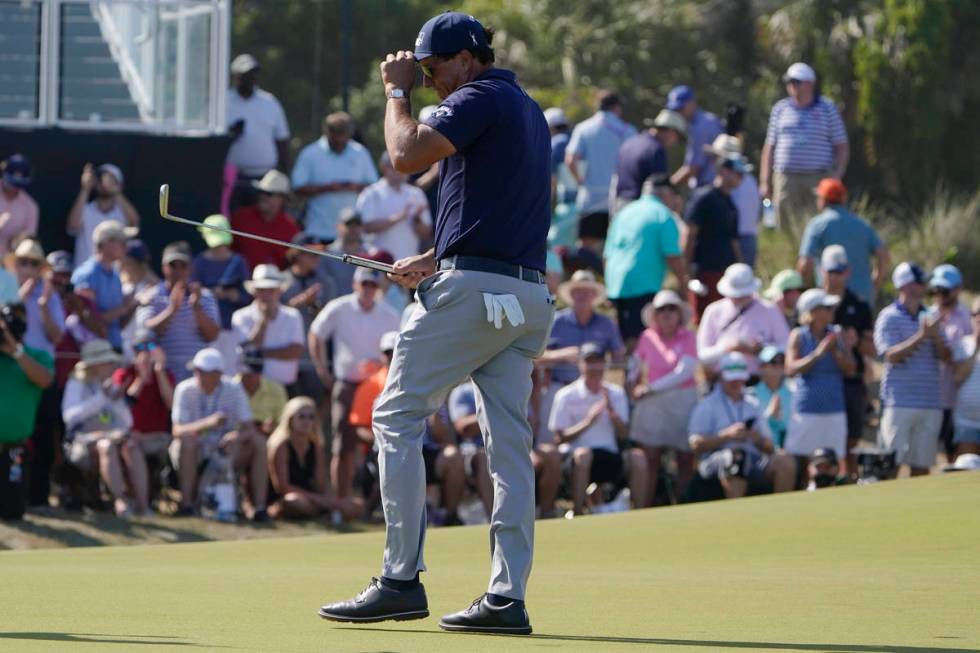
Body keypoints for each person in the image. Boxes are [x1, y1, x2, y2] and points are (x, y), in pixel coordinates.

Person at [318, 12, 555, 634]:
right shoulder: (525, 107)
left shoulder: (477, 95)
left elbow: (403, 155)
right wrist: (437, 258)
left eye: (432, 69)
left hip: (477, 295)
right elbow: (498, 208)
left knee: (395, 415)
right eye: (419, 74)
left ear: (467, 59)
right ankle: (508, 599)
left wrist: (394, 94)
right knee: (508, 447)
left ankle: (399, 580)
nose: (428, 82)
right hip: (523, 295)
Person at [309, 267, 400, 498]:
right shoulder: (340, 307)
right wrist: (322, 370)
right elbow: (316, 334)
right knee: (343, 445)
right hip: (348, 384)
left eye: (373, 285)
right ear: (355, 284)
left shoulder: (389, 314)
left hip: (380, 387)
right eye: (364, 284)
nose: (368, 289)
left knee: (387, 444)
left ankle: (374, 500)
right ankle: (342, 501)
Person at [171, 348, 268, 520]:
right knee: (187, 443)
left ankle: (259, 508)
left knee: (258, 442)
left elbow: (249, 427)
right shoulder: (184, 389)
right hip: (195, 449)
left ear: (218, 373)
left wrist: (236, 436)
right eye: (197, 370)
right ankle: (186, 505)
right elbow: (177, 430)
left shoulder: (234, 388)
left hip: (227, 450)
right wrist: (207, 423)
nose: (198, 374)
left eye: (204, 372)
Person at [549, 344, 646, 515]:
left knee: (638, 457)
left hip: (609, 455)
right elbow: (559, 438)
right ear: (581, 364)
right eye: (589, 361)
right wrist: (588, 421)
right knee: (583, 455)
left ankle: (639, 514)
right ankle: (577, 511)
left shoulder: (616, 393)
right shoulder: (565, 395)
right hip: (575, 458)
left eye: (598, 361)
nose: (594, 367)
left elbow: (624, 434)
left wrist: (612, 413)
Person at [874, 262, 950, 476]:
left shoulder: (931, 316)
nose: (924, 285)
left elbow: (946, 357)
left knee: (922, 466)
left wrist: (935, 337)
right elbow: (890, 356)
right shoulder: (888, 317)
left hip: (929, 401)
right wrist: (922, 336)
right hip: (899, 402)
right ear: (905, 285)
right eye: (919, 281)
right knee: (890, 464)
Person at [687, 352, 797, 499]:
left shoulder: (753, 404)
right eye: (732, 378)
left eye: (739, 378)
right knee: (736, 458)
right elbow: (695, 444)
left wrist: (756, 438)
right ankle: (738, 514)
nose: (736, 383)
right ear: (722, 377)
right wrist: (726, 436)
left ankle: (781, 513)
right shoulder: (708, 405)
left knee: (785, 461)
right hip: (716, 460)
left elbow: (770, 446)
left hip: (754, 458)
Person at [535, 271, 624, 442]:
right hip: (559, 388)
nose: (582, 296)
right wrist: (561, 355)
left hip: (594, 392)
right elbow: (535, 356)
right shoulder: (556, 321)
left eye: (587, 291)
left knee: (593, 445)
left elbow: (618, 358)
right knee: (550, 443)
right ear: (571, 295)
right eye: (578, 291)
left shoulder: (606, 323)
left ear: (594, 295)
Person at [629, 291, 698, 504]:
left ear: (679, 314)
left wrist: (650, 389)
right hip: (654, 404)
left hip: (682, 400)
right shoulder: (647, 337)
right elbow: (634, 365)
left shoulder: (689, 337)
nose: (667, 314)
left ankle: (683, 506)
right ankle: (643, 506)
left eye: (671, 309)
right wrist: (632, 383)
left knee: (685, 458)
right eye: (662, 310)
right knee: (651, 458)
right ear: (655, 315)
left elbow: (684, 372)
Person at [759, 62, 849, 228]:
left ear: (810, 84)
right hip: (786, 177)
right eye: (789, 82)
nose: (792, 86)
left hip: (819, 176)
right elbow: (769, 147)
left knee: (821, 222)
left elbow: (841, 145)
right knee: (784, 222)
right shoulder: (780, 109)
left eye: (796, 82)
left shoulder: (827, 108)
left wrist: (837, 175)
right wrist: (765, 181)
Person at [10, 239, 65, 508]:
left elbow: (56, 337)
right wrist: (20, 296)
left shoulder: (50, 295)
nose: (29, 268)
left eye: (34, 263)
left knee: (43, 435)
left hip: (41, 368)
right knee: (12, 435)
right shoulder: (7, 289)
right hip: (13, 370)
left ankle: (39, 497)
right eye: (24, 262)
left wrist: (42, 306)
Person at [604, 174, 688, 344]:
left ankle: (629, 369)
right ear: (666, 194)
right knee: (643, 341)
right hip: (643, 284)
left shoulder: (624, 212)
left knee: (626, 339)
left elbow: (607, 255)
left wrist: (608, 287)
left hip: (616, 284)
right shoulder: (663, 215)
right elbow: (673, 256)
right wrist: (684, 286)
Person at [784, 289, 855, 468]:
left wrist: (835, 352)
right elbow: (790, 369)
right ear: (812, 312)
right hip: (806, 408)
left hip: (834, 408)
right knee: (802, 462)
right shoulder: (798, 336)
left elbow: (851, 369)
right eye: (826, 307)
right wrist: (818, 353)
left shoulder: (836, 335)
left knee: (836, 461)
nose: (832, 311)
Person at [61, 339, 132, 516]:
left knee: (132, 447)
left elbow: (128, 423)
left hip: (111, 439)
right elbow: (69, 418)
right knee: (105, 446)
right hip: (79, 444)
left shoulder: (111, 385)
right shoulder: (76, 384)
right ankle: (120, 501)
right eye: (109, 362)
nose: (113, 365)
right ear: (95, 365)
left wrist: (116, 401)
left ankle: (141, 503)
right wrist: (101, 398)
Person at [821, 245, 875, 474]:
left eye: (839, 271)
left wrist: (854, 343)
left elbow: (871, 348)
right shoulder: (812, 303)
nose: (835, 277)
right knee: (823, 445)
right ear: (822, 271)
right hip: (822, 382)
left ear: (848, 272)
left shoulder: (859, 305)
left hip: (851, 382)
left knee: (851, 441)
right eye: (831, 271)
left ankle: (849, 481)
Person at [110, 329, 175, 515]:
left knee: (133, 445)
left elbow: (171, 404)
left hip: (157, 437)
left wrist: (159, 372)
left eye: (151, 347)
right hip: (128, 437)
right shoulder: (125, 374)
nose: (146, 353)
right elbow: (124, 405)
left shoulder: (166, 374)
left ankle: (142, 505)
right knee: (131, 446)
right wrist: (141, 377)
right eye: (140, 348)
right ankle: (141, 505)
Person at [136, 242, 220, 381]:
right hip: (163, 373)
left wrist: (196, 307)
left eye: (183, 265)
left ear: (190, 268)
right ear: (164, 267)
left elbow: (212, 335)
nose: (178, 270)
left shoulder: (205, 296)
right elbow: (146, 334)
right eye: (173, 265)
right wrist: (172, 309)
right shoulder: (151, 295)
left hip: (197, 373)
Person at [0, 302, 54, 520]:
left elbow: (44, 380)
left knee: (12, 512)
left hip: (14, 449)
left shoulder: (37, 356)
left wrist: (16, 352)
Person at [267, 396, 361, 521]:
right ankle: (325, 516)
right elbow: (283, 487)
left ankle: (324, 515)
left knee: (356, 505)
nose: (306, 421)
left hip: (312, 498)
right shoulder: (281, 446)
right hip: (287, 498)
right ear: (290, 419)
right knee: (294, 501)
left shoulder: (316, 446)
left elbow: (320, 483)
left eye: (311, 417)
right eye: (301, 417)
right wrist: (318, 500)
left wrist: (329, 501)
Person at [565, 90, 637, 251]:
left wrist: (581, 182)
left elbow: (570, 160)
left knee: (586, 250)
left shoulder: (584, 128)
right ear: (617, 107)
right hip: (620, 199)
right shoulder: (628, 130)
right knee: (618, 248)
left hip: (590, 199)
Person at [797, 178, 888, 304]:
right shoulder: (862, 225)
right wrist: (874, 286)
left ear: (823, 200)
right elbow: (883, 256)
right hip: (863, 298)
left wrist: (809, 291)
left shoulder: (817, 225)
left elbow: (805, 264)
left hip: (828, 300)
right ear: (843, 199)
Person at [292, 111, 379, 243]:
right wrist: (327, 188)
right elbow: (298, 188)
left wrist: (354, 187)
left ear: (349, 134)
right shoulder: (310, 154)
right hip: (318, 231)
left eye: (342, 135)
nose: (339, 140)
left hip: (351, 234)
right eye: (335, 136)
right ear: (326, 132)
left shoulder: (360, 152)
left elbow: (373, 186)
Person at [683, 153, 748, 320]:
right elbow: (689, 234)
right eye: (738, 173)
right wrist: (686, 269)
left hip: (725, 272)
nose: (741, 178)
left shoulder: (731, 204)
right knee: (704, 317)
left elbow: (734, 241)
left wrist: (741, 267)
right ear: (724, 171)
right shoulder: (704, 198)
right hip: (705, 270)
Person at [697, 263, 790, 375]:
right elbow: (701, 354)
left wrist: (761, 350)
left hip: (760, 381)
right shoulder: (713, 311)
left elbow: (786, 347)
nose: (739, 297)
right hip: (722, 381)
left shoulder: (769, 310)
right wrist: (727, 348)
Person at [225, 54, 290, 212]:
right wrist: (230, 135)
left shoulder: (269, 102)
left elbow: (282, 139)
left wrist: (285, 173)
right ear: (235, 76)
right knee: (237, 220)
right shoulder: (223, 101)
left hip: (266, 177)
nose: (250, 78)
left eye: (253, 74)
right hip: (235, 177)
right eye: (245, 74)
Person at [191, 215, 252, 374]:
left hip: (233, 330)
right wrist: (210, 294)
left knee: (231, 373)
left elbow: (249, 296)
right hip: (205, 332)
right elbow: (193, 292)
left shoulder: (239, 262)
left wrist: (235, 296)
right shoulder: (199, 262)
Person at [281, 232, 337, 402]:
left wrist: (312, 304)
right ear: (296, 254)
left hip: (314, 358)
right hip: (286, 356)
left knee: (314, 403)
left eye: (319, 253)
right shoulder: (281, 281)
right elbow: (273, 317)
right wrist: (297, 303)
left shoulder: (326, 283)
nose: (317, 258)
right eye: (312, 253)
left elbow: (330, 320)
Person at [232, 264, 305, 389]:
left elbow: (295, 351)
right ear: (254, 292)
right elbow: (247, 350)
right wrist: (263, 321)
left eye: (271, 290)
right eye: (261, 290)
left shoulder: (293, 316)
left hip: (286, 386)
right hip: (252, 388)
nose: (266, 295)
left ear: (279, 291)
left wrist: (260, 354)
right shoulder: (241, 316)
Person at [929, 264, 973, 463]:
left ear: (957, 289)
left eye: (945, 290)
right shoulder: (926, 315)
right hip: (928, 398)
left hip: (955, 400)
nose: (940, 294)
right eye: (936, 289)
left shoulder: (968, 318)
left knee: (955, 457)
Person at [71, 221, 136, 351]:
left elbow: (116, 323)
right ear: (106, 243)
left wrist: (133, 305)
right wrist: (125, 307)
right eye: (122, 242)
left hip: (114, 347)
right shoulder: (87, 274)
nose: (126, 248)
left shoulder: (116, 275)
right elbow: (89, 319)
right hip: (94, 351)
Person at [357, 152, 432, 261]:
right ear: (384, 168)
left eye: (405, 167)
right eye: (397, 166)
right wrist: (399, 217)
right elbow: (366, 227)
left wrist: (417, 220)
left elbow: (426, 233)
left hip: (408, 262)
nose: (401, 171)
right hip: (378, 263)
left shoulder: (416, 193)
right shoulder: (371, 193)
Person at [67, 163, 140, 267]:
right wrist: (85, 189)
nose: (104, 182)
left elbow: (135, 224)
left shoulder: (123, 213)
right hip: (86, 275)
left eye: (112, 180)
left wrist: (116, 192)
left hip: (113, 274)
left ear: (120, 185)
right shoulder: (85, 209)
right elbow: (72, 227)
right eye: (100, 178)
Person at [612, 109, 686, 213]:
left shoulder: (630, 143)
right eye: (677, 137)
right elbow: (659, 188)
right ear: (671, 132)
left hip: (619, 206)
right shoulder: (656, 149)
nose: (675, 142)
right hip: (640, 209)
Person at [704, 134, 761, 268]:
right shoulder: (750, 180)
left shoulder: (729, 182)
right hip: (749, 239)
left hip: (733, 242)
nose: (713, 161)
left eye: (716, 157)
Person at [230, 171, 300, 270]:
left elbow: (293, 263)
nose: (263, 196)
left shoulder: (290, 227)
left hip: (275, 282)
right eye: (261, 192)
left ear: (281, 198)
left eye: (269, 193)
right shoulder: (241, 217)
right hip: (240, 281)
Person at [447, 381, 496, 520]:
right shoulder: (463, 391)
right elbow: (464, 428)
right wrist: (495, 412)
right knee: (484, 458)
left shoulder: (506, 386)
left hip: (506, 447)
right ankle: (496, 520)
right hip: (472, 451)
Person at [667, 85, 724, 190]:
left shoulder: (700, 127)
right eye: (675, 110)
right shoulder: (706, 119)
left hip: (710, 188)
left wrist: (667, 186)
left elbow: (692, 169)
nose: (678, 113)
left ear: (692, 103)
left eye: (681, 108)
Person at [119, 239, 160, 361]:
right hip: (124, 345)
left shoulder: (155, 287)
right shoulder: (121, 286)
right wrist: (136, 301)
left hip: (146, 346)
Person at [544, 107, 578, 249]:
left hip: (567, 205)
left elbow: (551, 180)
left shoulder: (556, 143)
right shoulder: (573, 138)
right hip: (583, 203)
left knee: (556, 247)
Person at [236, 346, 288, 436]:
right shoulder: (230, 388)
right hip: (237, 437)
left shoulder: (276, 389)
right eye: (246, 372)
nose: (249, 377)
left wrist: (272, 428)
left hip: (266, 438)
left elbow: (282, 423)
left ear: (259, 372)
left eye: (252, 372)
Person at [952, 297, 980, 458]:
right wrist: (976, 346)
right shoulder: (963, 344)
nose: (978, 318)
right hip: (966, 422)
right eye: (974, 313)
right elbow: (958, 377)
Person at [749, 346, 793, 448]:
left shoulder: (795, 394)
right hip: (760, 451)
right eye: (774, 362)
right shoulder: (750, 395)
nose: (779, 366)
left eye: (782, 362)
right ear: (761, 367)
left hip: (789, 451)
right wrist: (769, 417)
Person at [319, 208, 367, 296]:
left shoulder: (371, 254)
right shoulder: (327, 254)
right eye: (349, 224)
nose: (353, 229)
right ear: (338, 226)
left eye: (357, 225)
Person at [0, 153, 39, 257]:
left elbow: (28, 240)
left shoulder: (30, 206)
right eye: (11, 183)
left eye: (18, 185)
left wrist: (19, 240)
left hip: (10, 264)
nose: (14, 189)